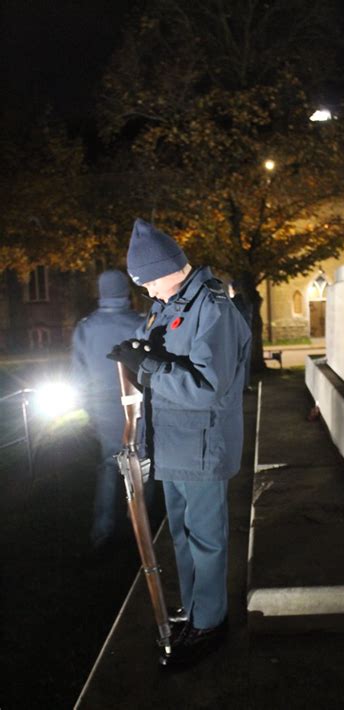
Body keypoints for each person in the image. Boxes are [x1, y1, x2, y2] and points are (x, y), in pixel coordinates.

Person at [107, 218, 251, 668]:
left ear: (169, 267)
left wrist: (148, 368)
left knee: (207, 538)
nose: (148, 291)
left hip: (203, 445)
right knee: (184, 538)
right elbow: (164, 360)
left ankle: (210, 623)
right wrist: (140, 353)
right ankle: (194, 609)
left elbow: (211, 387)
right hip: (172, 443)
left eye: (148, 280)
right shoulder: (168, 304)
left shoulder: (213, 308)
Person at [71, 269, 144, 549]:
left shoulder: (85, 328)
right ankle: (142, 528)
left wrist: (86, 408)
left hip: (103, 408)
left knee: (108, 465)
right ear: (125, 291)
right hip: (137, 406)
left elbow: (78, 374)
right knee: (141, 463)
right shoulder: (139, 323)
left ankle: (102, 529)